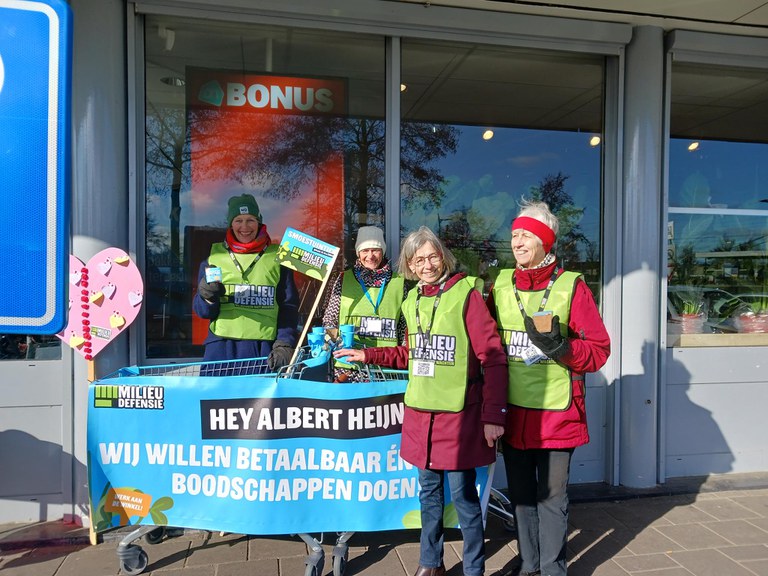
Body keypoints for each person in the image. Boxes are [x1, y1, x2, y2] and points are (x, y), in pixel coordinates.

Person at [334, 226, 508, 576]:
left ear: (443, 257)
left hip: (458, 416)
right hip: (420, 415)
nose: (427, 265)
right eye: (418, 260)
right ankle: (431, 563)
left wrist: (494, 416)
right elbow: (411, 354)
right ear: (409, 266)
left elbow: (493, 357)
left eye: (432, 257)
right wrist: (368, 355)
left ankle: (474, 568)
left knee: (464, 498)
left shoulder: (466, 294)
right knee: (428, 494)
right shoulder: (412, 299)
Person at [486, 200, 610, 576]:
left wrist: (562, 348)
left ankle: (553, 568)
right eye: (514, 235)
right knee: (522, 497)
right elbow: (485, 344)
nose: (517, 242)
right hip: (514, 411)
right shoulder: (500, 285)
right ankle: (529, 564)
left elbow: (598, 351)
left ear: (545, 241)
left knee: (552, 497)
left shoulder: (572, 286)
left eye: (526, 235)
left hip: (557, 412)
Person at [193, 193, 299, 370]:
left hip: (263, 348)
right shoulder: (214, 257)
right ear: (231, 224)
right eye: (238, 220)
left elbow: (289, 306)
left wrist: (285, 342)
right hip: (221, 348)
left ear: (259, 222)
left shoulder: (278, 256)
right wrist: (207, 296)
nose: (244, 226)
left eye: (250, 220)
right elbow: (203, 312)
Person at [322, 225, 408, 381]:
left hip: (386, 367)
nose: (370, 256)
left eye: (375, 250)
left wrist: (404, 359)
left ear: (383, 251)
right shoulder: (343, 279)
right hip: (348, 368)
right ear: (358, 253)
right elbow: (330, 320)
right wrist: (329, 345)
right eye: (365, 250)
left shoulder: (399, 282)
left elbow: (404, 327)